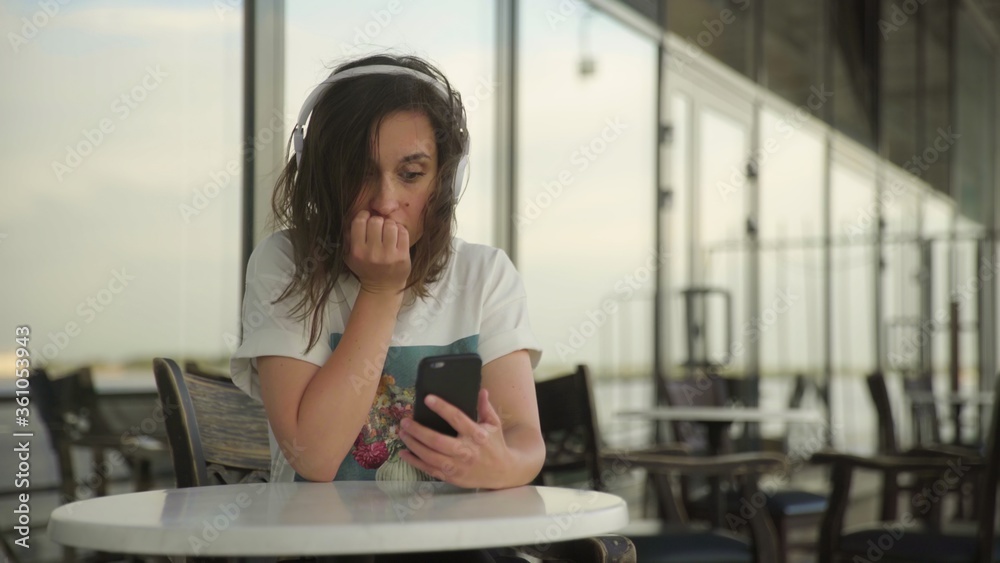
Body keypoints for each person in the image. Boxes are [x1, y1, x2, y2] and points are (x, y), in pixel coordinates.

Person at [230, 54, 545, 493]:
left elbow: (525, 440)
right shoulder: (285, 262)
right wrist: (381, 290)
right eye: (358, 173)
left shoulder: (485, 274)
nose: (385, 199)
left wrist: (501, 464)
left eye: (411, 174)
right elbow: (313, 457)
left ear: (445, 181)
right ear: (321, 176)